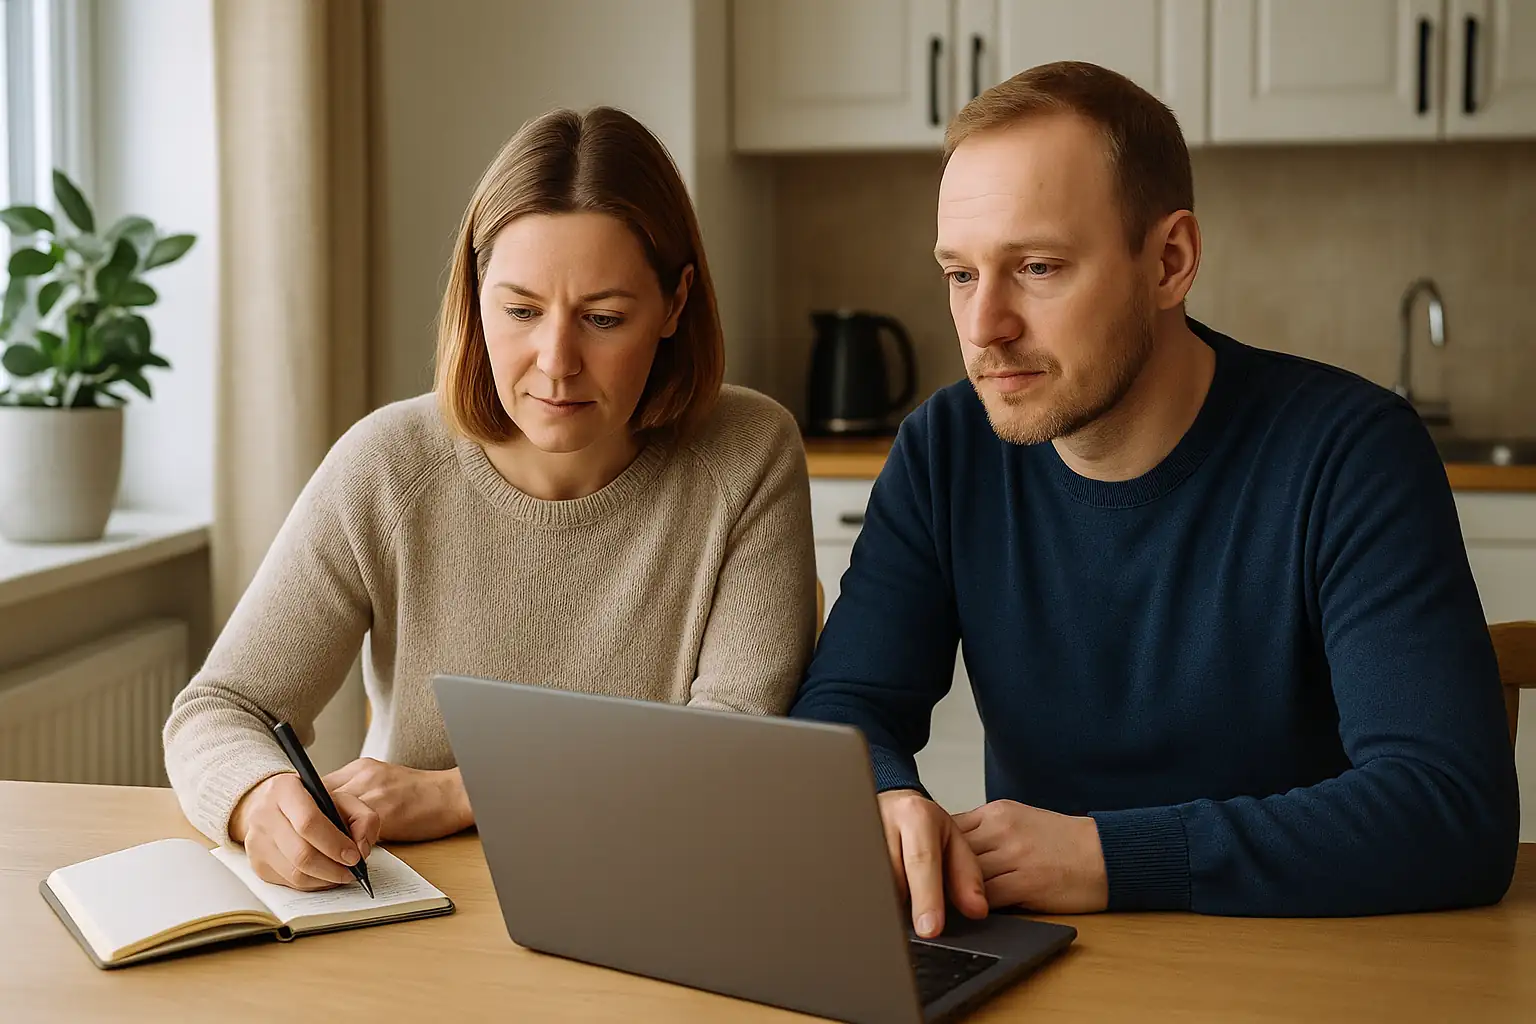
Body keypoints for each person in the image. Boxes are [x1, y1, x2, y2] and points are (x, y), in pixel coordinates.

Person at [791, 62, 1519, 932]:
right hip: (1051, 961)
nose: (984, 327)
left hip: (1304, 958)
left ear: (1170, 261)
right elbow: (844, 708)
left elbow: (1449, 811)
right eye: (960, 274)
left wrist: (1109, 855)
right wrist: (883, 793)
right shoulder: (945, 450)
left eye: (1037, 266)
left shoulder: (1351, 454)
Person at [165, 107, 817, 890]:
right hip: (419, 917)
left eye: (604, 318)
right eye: (519, 311)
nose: (556, 362)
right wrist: (257, 799)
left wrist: (458, 792)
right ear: (475, 296)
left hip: (654, 895)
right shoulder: (388, 464)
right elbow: (221, 707)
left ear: (676, 305)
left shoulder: (748, 452)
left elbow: (733, 747)